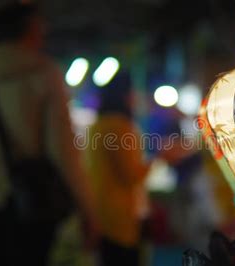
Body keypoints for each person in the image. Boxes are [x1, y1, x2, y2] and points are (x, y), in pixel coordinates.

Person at [0, 3, 96, 266]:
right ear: (29, 29)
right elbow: (63, 151)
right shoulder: (44, 74)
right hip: (34, 204)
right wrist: (88, 210)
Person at [85, 71, 151, 266]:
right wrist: (159, 158)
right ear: (125, 95)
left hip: (100, 213)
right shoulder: (120, 127)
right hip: (120, 221)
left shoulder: (97, 125)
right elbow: (130, 175)